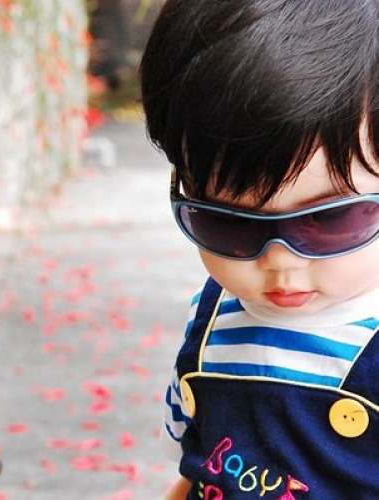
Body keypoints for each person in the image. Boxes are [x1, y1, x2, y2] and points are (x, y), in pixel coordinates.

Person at [138, 1, 379, 498]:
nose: (281, 265)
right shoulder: (211, 319)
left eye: (330, 219)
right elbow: (198, 465)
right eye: (229, 223)